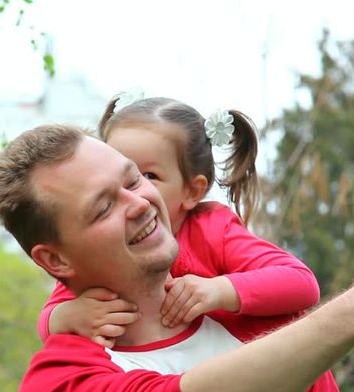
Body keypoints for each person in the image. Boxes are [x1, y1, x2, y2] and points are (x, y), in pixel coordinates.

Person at [0, 124, 354, 392]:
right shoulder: (62, 381)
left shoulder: (261, 321)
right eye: (103, 208)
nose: (139, 204)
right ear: (55, 259)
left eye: (134, 180)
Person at [40, 96, 321, 353]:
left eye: (147, 175)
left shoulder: (212, 229)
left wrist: (220, 290)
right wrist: (68, 316)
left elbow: (302, 283)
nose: (131, 193)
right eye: (118, 175)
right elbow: (51, 315)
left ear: (192, 191)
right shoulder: (101, 248)